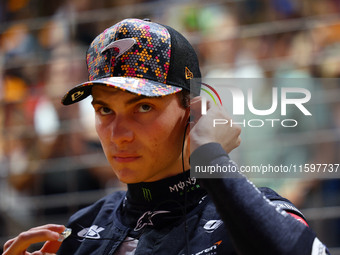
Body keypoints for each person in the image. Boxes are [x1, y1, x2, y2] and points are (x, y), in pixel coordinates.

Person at [2, 18, 330, 255]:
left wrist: (210, 159)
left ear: (194, 109)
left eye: (143, 107)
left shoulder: (250, 212)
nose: (119, 135)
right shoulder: (81, 230)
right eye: (104, 110)